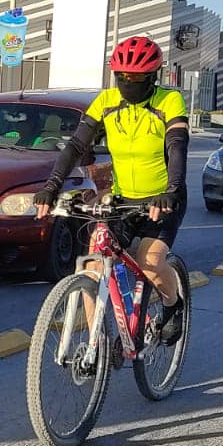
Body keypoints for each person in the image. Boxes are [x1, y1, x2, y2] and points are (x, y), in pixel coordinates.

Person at [33, 34, 190, 344]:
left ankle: (174, 305)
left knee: (151, 263)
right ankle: (97, 345)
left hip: (162, 199)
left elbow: (177, 146)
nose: (128, 82)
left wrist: (171, 189)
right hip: (123, 199)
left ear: (152, 76)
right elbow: (76, 145)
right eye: (122, 76)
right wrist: (51, 188)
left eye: (136, 77)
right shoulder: (106, 101)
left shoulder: (168, 101)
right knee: (93, 265)